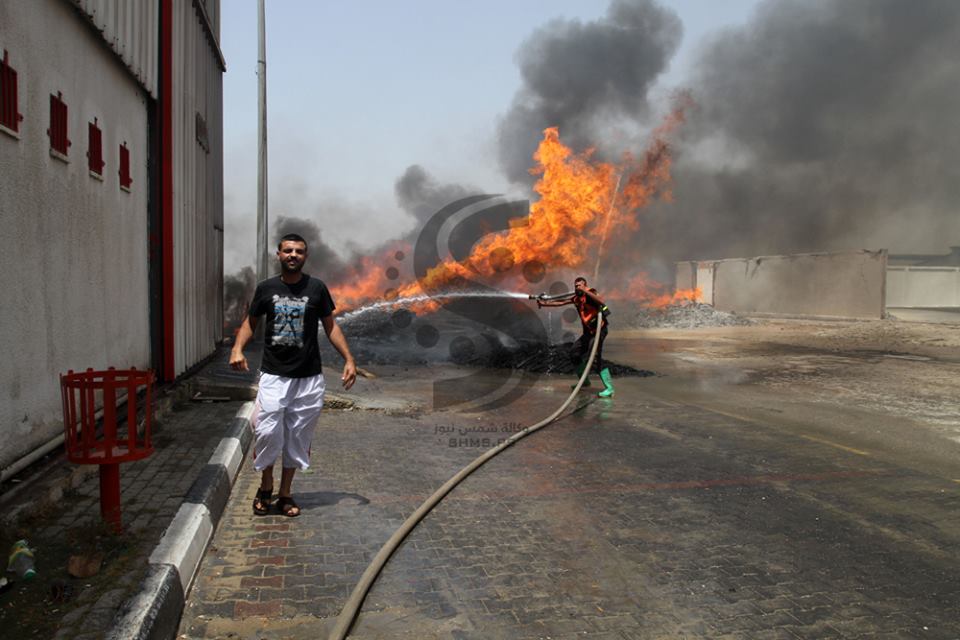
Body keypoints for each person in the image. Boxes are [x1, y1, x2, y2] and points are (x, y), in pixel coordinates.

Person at [230, 233, 357, 517]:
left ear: (305, 256)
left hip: (309, 378)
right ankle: (266, 485)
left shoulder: (317, 288)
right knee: (267, 431)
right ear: (279, 254)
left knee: (297, 437)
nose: (293, 255)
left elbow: (331, 326)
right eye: (288, 250)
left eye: (299, 251)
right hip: (274, 375)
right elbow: (250, 322)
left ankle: (285, 494)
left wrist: (349, 359)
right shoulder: (266, 288)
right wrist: (237, 348)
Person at [537, 276, 613, 398]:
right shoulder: (577, 298)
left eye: (579, 285)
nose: (577, 287)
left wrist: (585, 291)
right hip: (588, 333)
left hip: (599, 331)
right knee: (574, 353)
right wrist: (544, 303)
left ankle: (609, 388)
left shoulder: (591, 293)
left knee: (594, 358)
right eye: (575, 286)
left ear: (585, 285)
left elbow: (601, 300)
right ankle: (585, 381)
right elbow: (562, 302)